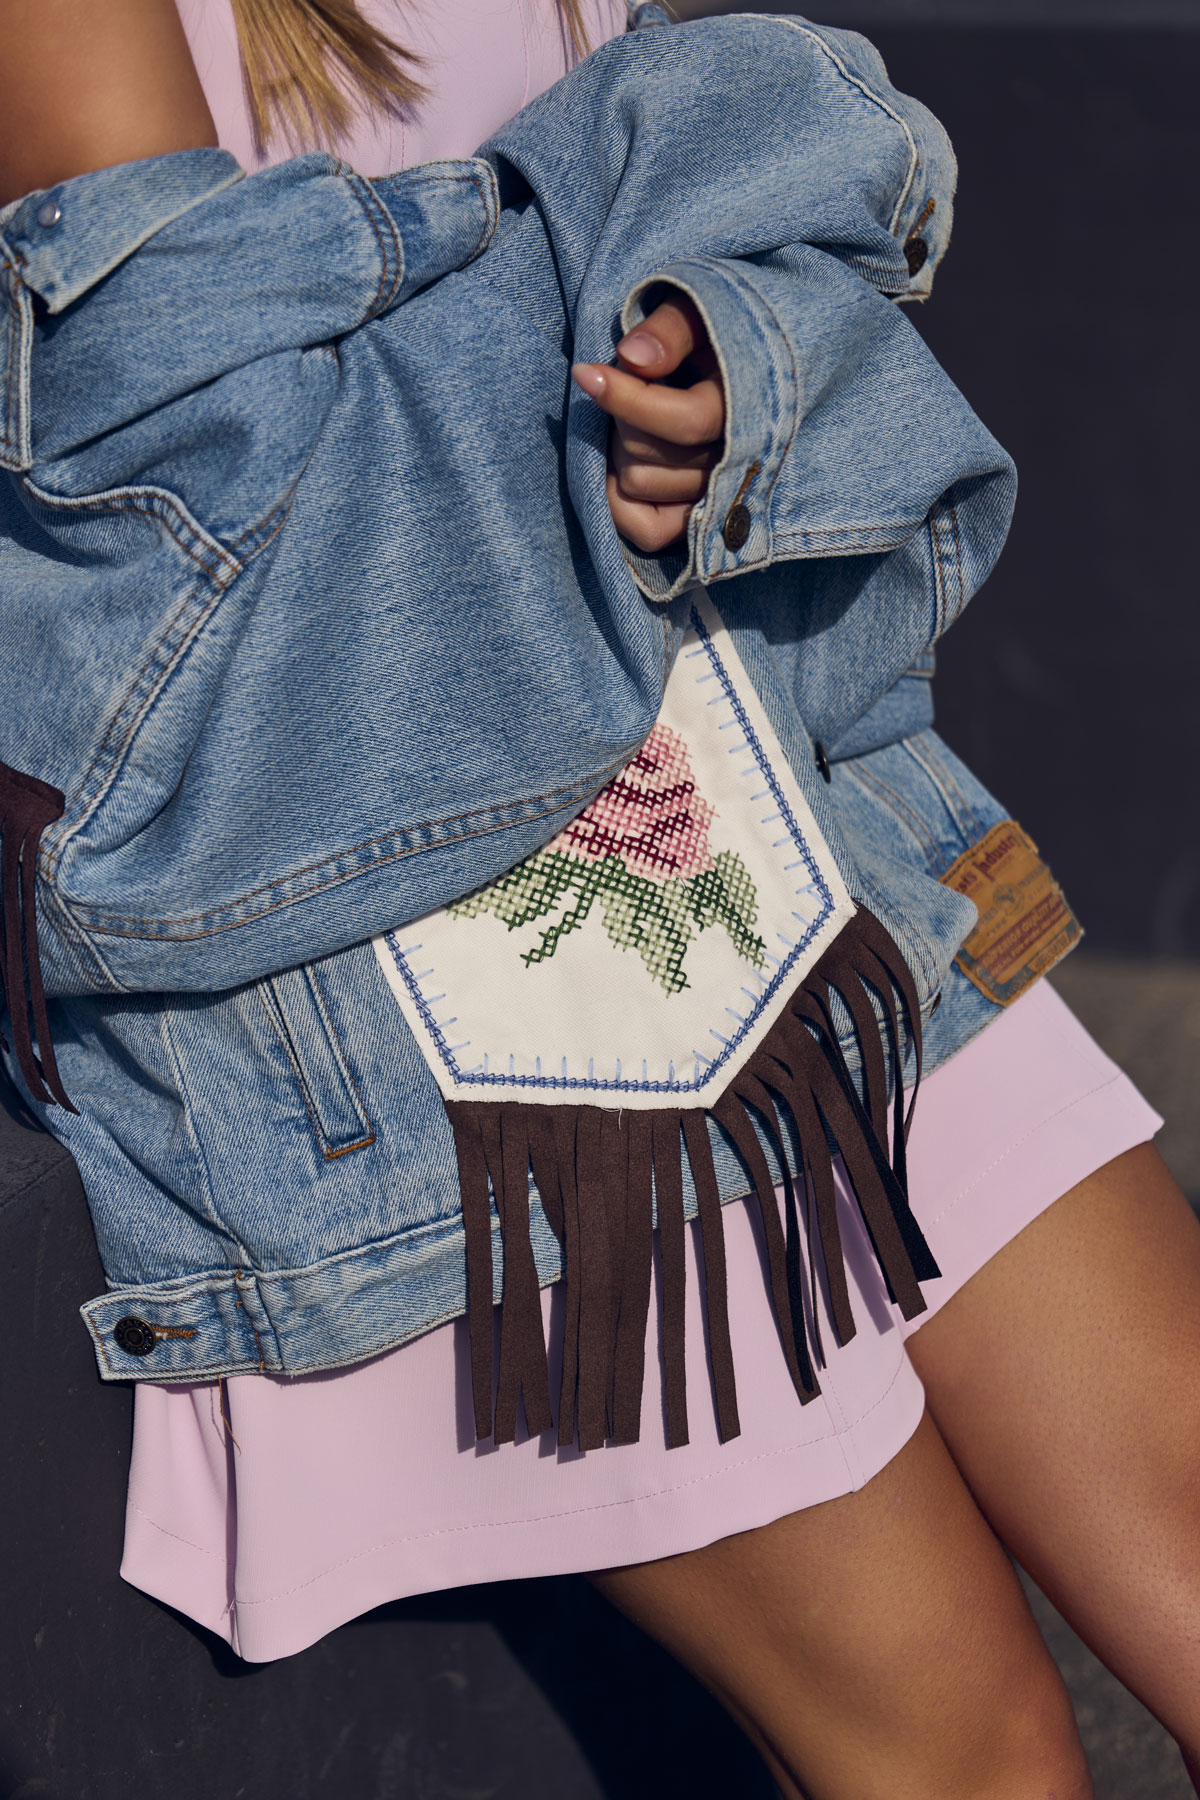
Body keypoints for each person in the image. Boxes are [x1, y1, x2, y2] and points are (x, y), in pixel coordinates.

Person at [3, 5, 1200, 1797]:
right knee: (971, 1753)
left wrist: (721, 367)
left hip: (761, 804)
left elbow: (738, 235)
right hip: (421, 997)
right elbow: (208, 540)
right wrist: (615, 245)